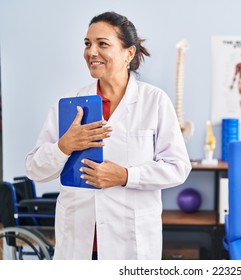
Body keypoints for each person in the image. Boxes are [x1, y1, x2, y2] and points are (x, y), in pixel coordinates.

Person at [25, 11, 191, 260]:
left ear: (129, 53)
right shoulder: (70, 104)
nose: (91, 52)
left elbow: (178, 167)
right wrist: (64, 146)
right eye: (87, 44)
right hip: (77, 242)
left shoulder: (153, 101)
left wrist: (125, 176)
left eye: (102, 44)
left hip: (131, 244)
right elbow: (35, 169)